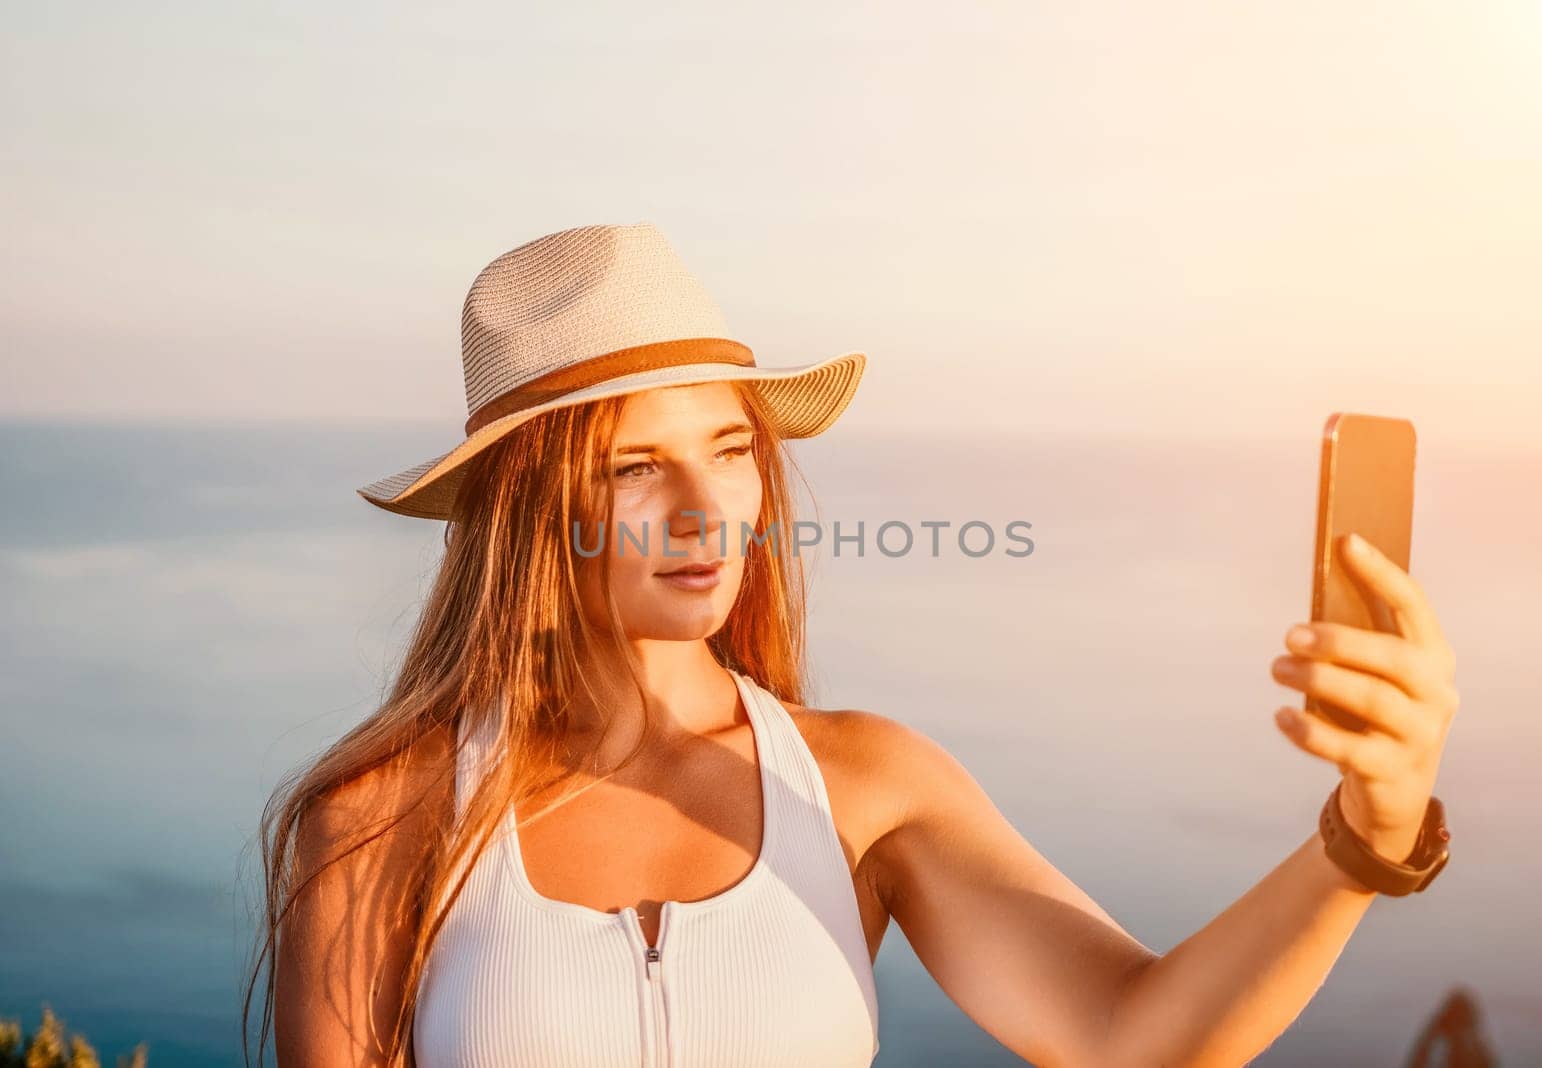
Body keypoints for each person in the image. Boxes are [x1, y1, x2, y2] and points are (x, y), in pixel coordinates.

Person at [249, 223, 1461, 1067]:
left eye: (729, 450)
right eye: (634, 465)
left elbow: (1132, 1036)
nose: (704, 508)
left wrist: (1368, 837)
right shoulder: (381, 819)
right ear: (528, 511)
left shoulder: (866, 786)